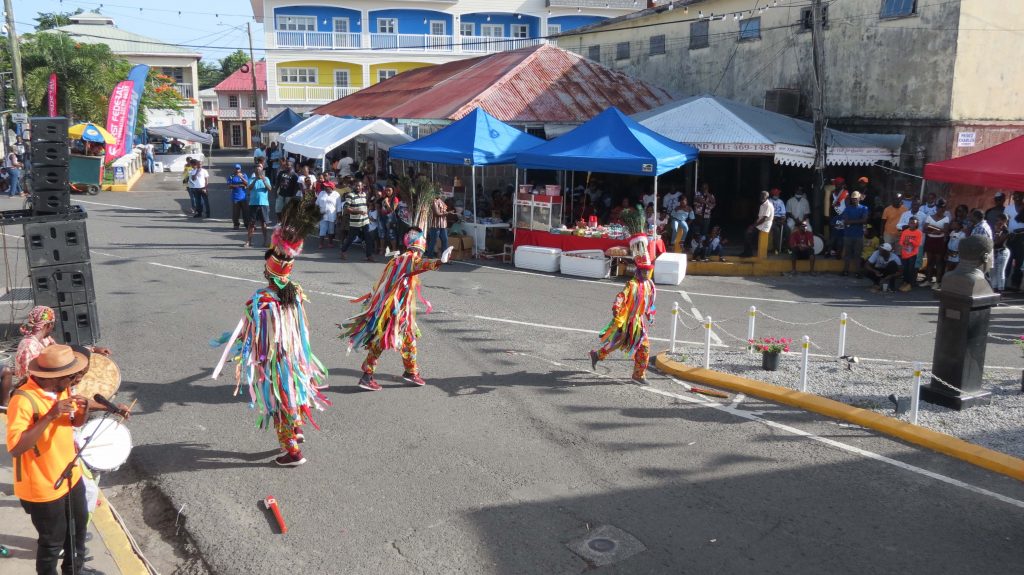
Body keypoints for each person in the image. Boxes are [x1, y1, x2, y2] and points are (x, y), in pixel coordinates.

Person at [213, 199, 330, 467]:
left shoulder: (262, 300)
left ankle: (292, 453)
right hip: (295, 356)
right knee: (294, 394)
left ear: (268, 272)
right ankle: (298, 430)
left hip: (275, 361)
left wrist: (243, 347)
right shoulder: (296, 292)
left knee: (279, 403)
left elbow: (254, 336)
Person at [342, 180, 454, 392]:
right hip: (394, 308)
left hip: (398, 307)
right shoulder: (409, 258)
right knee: (382, 341)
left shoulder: (400, 257)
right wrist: (440, 261)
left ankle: (410, 371)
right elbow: (420, 265)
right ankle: (367, 375)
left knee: (409, 338)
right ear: (419, 245)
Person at [7, 344, 95, 575]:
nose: (75, 379)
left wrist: (83, 412)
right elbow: (16, 448)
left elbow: (72, 423)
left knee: (77, 528)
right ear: (55, 377)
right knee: (52, 542)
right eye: (71, 376)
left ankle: (75, 570)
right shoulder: (23, 400)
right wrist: (50, 415)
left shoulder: (60, 389)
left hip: (69, 475)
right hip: (43, 486)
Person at [589, 208, 657, 385]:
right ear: (639, 271)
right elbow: (621, 296)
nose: (648, 274)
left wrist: (650, 313)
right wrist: (617, 308)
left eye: (649, 271)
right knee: (639, 345)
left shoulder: (649, 285)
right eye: (645, 271)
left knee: (619, 343)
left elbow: (650, 302)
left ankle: (597, 355)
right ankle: (638, 375)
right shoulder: (633, 285)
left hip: (638, 321)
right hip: (628, 320)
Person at [340, 181, 373, 261]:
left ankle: (369, 256)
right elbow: (347, 208)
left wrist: (367, 211)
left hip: (365, 221)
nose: (357, 187)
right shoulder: (350, 195)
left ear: (362, 187)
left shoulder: (364, 195)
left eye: (359, 186)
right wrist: (359, 211)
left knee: (368, 238)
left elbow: (365, 205)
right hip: (355, 222)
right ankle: (343, 251)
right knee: (351, 238)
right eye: (356, 186)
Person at [921, 199, 949, 286]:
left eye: (943, 207)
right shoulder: (929, 217)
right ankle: (928, 280)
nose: (941, 209)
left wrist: (933, 228)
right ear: (936, 208)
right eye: (939, 207)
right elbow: (925, 229)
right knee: (930, 262)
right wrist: (935, 230)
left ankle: (937, 282)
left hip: (940, 241)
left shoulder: (946, 218)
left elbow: (945, 231)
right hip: (930, 240)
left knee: (938, 262)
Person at [840, 191, 869, 277]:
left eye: (855, 198)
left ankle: (858, 272)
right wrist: (858, 221)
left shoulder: (864, 208)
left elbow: (864, 220)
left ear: (859, 198)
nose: (854, 200)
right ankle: (845, 270)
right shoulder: (847, 208)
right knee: (847, 254)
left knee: (857, 254)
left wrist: (851, 222)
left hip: (858, 235)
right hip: (848, 235)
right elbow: (845, 221)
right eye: (853, 199)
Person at [245, 166, 273, 248]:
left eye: (259, 170)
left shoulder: (266, 179)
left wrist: (263, 180)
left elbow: (270, 189)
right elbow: (249, 188)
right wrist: (255, 180)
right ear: (255, 171)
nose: (258, 171)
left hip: (263, 204)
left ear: (262, 171)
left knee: (263, 223)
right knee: (251, 223)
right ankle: (249, 241)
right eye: (256, 170)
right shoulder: (251, 179)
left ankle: (265, 241)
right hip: (253, 204)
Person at [741, 191, 774, 257]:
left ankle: (748, 253)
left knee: (748, 234)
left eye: (763, 196)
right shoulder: (763, 205)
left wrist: (753, 226)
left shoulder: (768, 205)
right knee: (747, 233)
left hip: (764, 226)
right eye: (761, 196)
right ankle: (747, 252)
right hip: (760, 225)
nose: (761, 197)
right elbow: (759, 218)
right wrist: (753, 225)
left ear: (767, 197)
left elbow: (763, 219)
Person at [898, 217, 923, 291]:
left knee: (911, 269)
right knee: (905, 268)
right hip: (904, 253)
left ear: (916, 224)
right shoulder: (905, 231)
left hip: (913, 254)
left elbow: (918, 244)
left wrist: (911, 241)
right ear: (908, 223)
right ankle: (905, 282)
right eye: (910, 222)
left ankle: (911, 283)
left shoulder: (919, 232)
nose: (912, 224)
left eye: (914, 223)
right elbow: (900, 242)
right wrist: (904, 243)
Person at [316, 177, 341, 249]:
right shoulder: (321, 193)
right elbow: (317, 203)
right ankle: (321, 243)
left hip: (332, 215)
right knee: (323, 229)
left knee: (331, 229)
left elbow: (339, 205)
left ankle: (330, 242)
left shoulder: (336, 194)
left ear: (331, 187)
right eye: (325, 186)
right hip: (322, 214)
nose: (325, 187)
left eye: (327, 187)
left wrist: (339, 214)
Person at [991, 213, 1010, 292]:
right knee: (994, 272)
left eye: (998, 220)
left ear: (1004, 221)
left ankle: (1000, 291)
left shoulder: (1005, 231)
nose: (996, 222)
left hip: (1002, 252)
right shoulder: (996, 229)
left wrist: (997, 232)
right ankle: (994, 289)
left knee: (1000, 272)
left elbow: (998, 242)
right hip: (995, 252)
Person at [426, 193, 449, 258]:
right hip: (435, 225)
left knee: (445, 240)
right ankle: (430, 256)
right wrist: (445, 213)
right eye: (439, 193)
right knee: (433, 240)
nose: (440, 194)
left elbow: (442, 211)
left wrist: (447, 213)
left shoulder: (441, 201)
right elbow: (436, 213)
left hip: (443, 225)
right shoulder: (434, 201)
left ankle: (445, 258)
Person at [227, 164, 250, 230]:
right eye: (236, 169)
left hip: (243, 197)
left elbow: (247, 184)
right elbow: (229, 186)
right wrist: (239, 185)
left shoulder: (244, 175)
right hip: (235, 197)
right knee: (236, 213)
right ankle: (236, 224)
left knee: (245, 212)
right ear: (234, 169)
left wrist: (241, 178)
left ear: (240, 169)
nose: (237, 170)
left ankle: (247, 224)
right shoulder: (231, 176)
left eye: (238, 169)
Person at [769, 188, 787, 254]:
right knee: (777, 230)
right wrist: (773, 219)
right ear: (772, 194)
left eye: (778, 194)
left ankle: (785, 247)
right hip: (771, 219)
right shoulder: (769, 201)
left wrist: (783, 219)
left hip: (780, 219)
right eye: (775, 194)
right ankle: (776, 248)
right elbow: (768, 214)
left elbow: (783, 213)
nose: (777, 195)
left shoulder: (781, 201)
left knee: (787, 229)